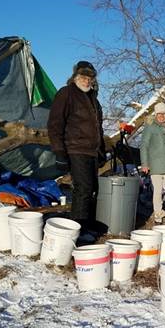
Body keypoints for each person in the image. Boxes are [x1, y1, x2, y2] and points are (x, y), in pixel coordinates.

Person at [48, 60, 105, 234]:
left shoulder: (93, 99)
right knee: (83, 189)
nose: (86, 81)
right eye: (83, 77)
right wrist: (59, 152)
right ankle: (78, 231)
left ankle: (87, 225)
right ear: (75, 77)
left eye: (90, 78)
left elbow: (98, 128)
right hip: (75, 149)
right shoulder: (66, 93)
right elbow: (55, 124)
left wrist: (101, 151)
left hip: (91, 151)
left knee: (93, 188)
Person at [139, 103, 165, 224]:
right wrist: (145, 163)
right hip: (155, 164)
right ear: (156, 115)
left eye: (164, 114)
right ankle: (158, 212)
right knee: (157, 190)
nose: (161, 116)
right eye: (159, 114)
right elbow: (144, 146)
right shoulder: (150, 127)